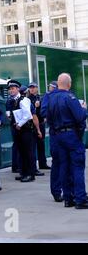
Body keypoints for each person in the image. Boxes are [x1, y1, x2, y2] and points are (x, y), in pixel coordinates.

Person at [47, 73, 88, 209]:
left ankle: (68, 198)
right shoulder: (70, 97)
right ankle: (81, 199)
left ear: (58, 84)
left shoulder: (50, 98)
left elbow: (48, 119)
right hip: (71, 135)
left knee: (64, 166)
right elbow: (80, 117)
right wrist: (84, 108)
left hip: (58, 136)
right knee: (77, 166)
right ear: (69, 84)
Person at [7, 80, 35, 182]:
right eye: (10, 89)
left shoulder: (24, 100)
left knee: (28, 152)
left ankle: (30, 174)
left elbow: (28, 115)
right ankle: (23, 172)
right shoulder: (11, 100)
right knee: (21, 151)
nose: (11, 90)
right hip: (17, 129)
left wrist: (19, 124)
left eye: (13, 88)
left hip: (25, 129)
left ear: (18, 89)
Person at [41, 81, 63, 202]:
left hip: (67, 135)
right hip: (56, 132)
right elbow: (43, 112)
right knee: (57, 162)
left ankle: (68, 191)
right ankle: (56, 191)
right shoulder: (48, 97)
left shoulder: (69, 95)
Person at [28, 82, 51, 170]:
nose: (32, 89)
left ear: (37, 88)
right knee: (33, 146)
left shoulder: (40, 97)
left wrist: (45, 117)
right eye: (30, 87)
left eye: (33, 87)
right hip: (32, 125)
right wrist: (35, 105)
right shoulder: (27, 99)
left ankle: (43, 164)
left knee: (41, 145)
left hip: (41, 123)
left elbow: (44, 109)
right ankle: (33, 167)